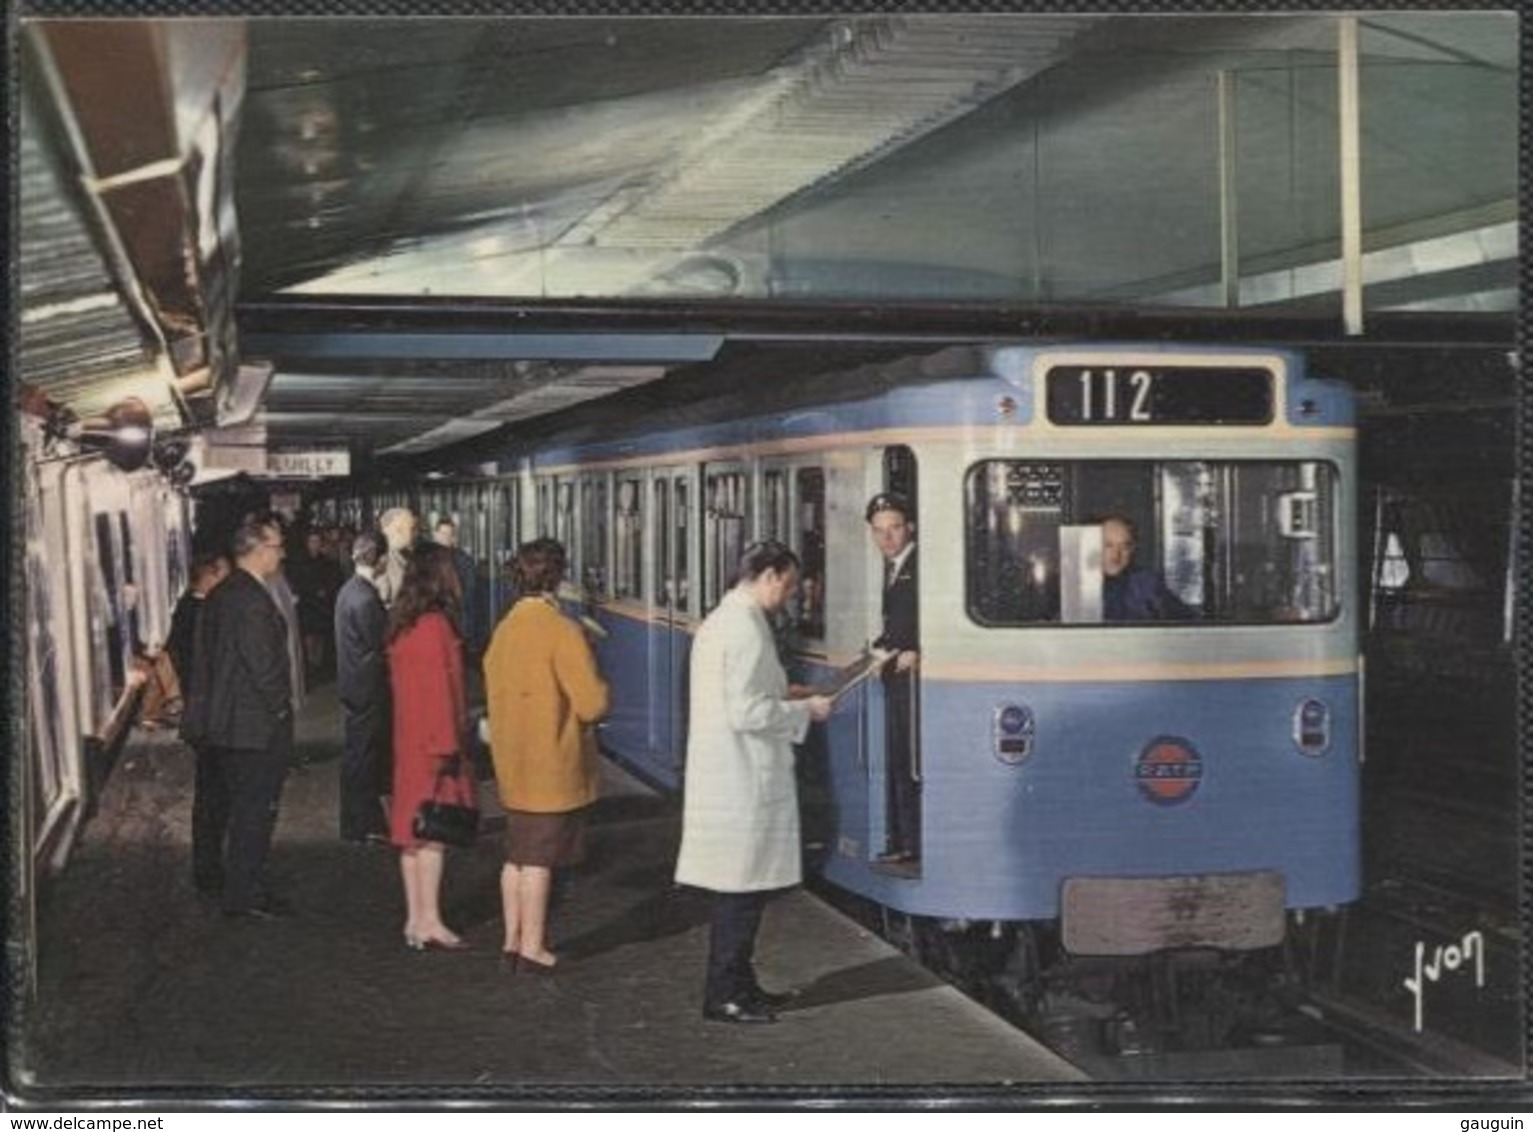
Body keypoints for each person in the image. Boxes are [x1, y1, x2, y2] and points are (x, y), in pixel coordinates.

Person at [675, 541, 833, 1024]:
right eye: (785, 586)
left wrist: (786, 692)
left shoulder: (725, 620)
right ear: (767, 576)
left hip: (734, 775)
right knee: (740, 894)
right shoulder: (743, 627)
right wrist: (805, 709)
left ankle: (741, 987)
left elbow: (741, 692)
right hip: (742, 778)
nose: (786, 597)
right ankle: (724, 995)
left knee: (741, 890)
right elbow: (745, 711)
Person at [482, 538, 609, 974]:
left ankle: (512, 941)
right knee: (540, 861)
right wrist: (592, 653)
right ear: (558, 578)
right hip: (551, 767)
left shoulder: (505, 629)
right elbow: (592, 704)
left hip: (513, 764)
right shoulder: (562, 630)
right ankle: (533, 947)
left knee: (516, 856)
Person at [178, 515, 294, 919]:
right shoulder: (251, 600)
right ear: (258, 550)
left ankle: (234, 885)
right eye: (277, 546)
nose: (282, 553)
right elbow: (264, 666)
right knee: (254, 813)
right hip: (253, 728)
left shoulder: (223, 593)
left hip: (224, 725)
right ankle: (245, 894)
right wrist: (281, 709)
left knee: (229, 809)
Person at [387, 543, 474, 951]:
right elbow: (440, 692)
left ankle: (413, 918)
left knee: (410, 834)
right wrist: (447, 748)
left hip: (409, 741)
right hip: (433, 744)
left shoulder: (403, 624)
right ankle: (431, 920)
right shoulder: (436, 627)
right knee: (433, 835)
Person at [866, 492, 920, 865]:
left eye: (895, 528)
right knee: (900, 760)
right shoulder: (895, 566)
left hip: (913, 687)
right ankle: (905, 840)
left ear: (910, 528)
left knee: (907, 760)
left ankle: (912, 843)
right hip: (898, 682)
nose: (887, 538)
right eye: (879, 531)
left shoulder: (920, 566)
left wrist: (914, 649)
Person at [334, 531, 392, 844]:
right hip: (368, 689)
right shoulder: (367, 599)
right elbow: (381, 644)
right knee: (363, 758)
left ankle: (356, 823)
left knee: (358, 755)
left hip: (353, 684)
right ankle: (361, 825)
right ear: (380, 559)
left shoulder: (349, 591)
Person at [1099, 515, 1194, 622]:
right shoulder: (1079, 585)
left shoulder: (1147, 584)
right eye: (1108, 545)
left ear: (1132, 550)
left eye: (1125, 546)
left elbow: (1189, 623)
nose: (1116, 555)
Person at [291, 528, 344, 679]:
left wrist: (325, 590)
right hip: (307, 604)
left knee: (320, 637)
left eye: (317, 541)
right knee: (309, 637)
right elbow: (298, 581)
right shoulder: (300, 562)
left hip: (321, 606)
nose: (315, 545)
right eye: (312, 541)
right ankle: (310, 666)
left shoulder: (326, 562)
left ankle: (317, 666)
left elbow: (333, 580)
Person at [433, 518, 482, 661]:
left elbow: (469, 596)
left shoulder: (464, 561)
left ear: (455, 538)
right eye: (442, 534)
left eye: (449, 535)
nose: (445, 538)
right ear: (435, 535)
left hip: (456, 620)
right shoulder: (426, 559)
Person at [375, 507, 418, 609]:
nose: (415, 534)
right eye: (411, 529)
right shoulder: (381, 562)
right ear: (396, 530)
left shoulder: (412, 556)